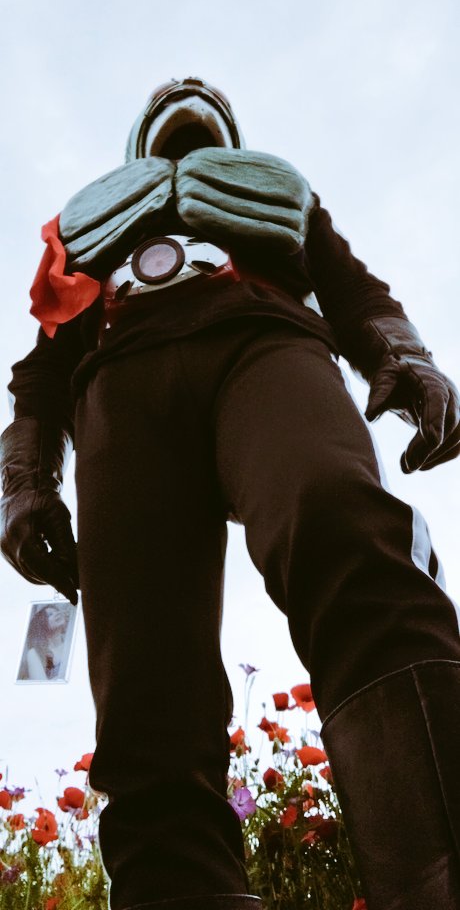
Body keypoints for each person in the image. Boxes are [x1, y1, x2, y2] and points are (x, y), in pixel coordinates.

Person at [1, 76, 460, 910]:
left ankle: (438, 872)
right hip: (121, 381)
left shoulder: (279, 201)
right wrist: (25, 483)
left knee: (340, 523)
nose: (186, 91)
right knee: (144, 676)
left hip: (267, 342)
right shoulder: (93, 227)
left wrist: (405, 355)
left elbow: (352, 287)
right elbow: (44, 369)